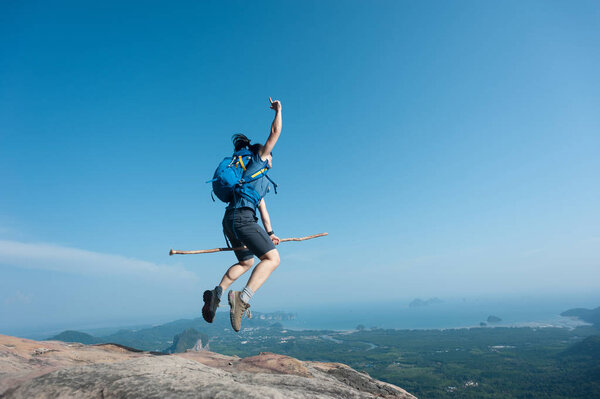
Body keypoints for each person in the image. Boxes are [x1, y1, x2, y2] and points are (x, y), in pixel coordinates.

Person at [202, 97, 282, 332]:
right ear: (261, 154)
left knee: (247, 261)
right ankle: (242, 298)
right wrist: (279, 110)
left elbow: (263, 210)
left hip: (230, 221)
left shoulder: (250, 178)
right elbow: (275, 132)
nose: (271, 159)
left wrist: (271, 233)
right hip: (244, 219)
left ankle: (217, 294)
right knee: (272, 259)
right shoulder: (260, 162)